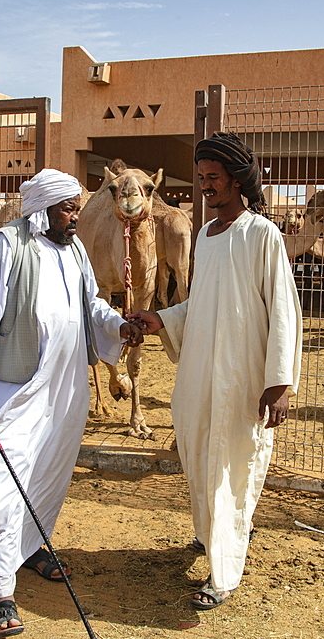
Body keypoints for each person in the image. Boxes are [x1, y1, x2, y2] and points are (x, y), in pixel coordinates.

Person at [0, 169, 143, 637]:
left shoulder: (76, 249)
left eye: (77, 208)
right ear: (42, 208)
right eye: (68, 209)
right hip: (15, 390)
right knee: (3, 484)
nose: (75, 217)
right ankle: (2, 593)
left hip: (66, 390)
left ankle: (32, 546)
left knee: (47, 474)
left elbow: (91, 305)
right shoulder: (4, 248)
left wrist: (118, 326)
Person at [129, 132, 303, 609]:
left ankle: (223, 572)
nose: (206, 186)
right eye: (201, 177)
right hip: (201, 374)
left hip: (244, 376)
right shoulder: (204, 237)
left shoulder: (261, 234)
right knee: (202, 454)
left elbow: (284, 310)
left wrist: (280, 381)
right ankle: (211, 535)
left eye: (214, 177)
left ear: (236, 179)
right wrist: (160, 318)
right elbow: (200, 305)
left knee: (232, 464)